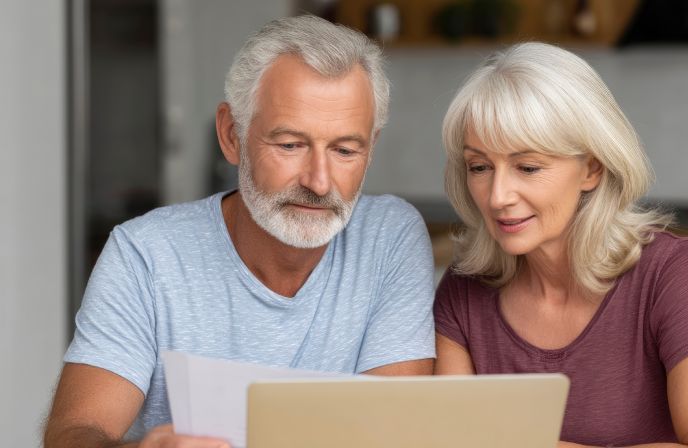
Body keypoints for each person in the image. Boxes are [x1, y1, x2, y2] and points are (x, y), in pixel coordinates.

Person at [44, 15, 435, 448]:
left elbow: (392, 433)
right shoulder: (145, 254)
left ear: (371, 148)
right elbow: (74, 433)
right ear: (232, 135)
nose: (319, 182)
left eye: (344, 150)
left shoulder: (390, 238)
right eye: (290, 145)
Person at [433, 42, 688, 448]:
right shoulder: (463, 289)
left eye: (527, 167)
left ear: (592, 170)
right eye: (479, 167)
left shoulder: (670, 273)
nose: (497, 196)